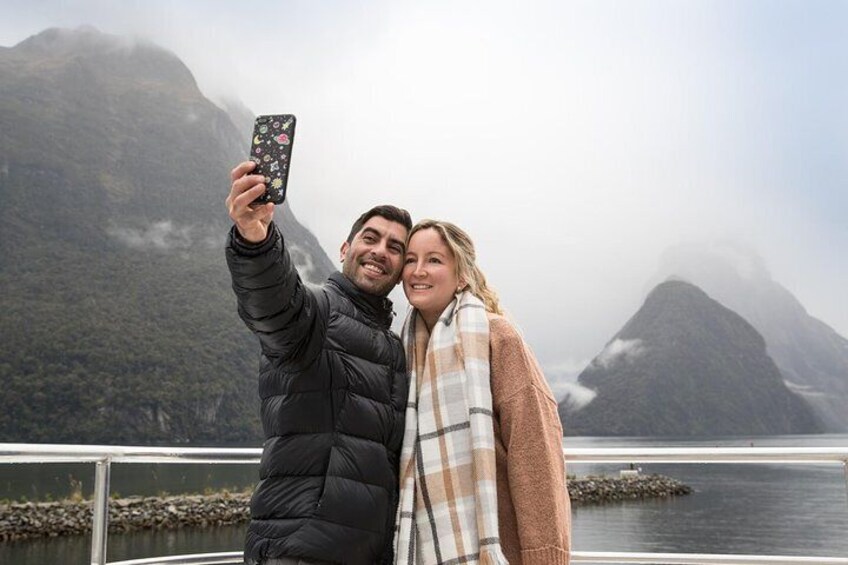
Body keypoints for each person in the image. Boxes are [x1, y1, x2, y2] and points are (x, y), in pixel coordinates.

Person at [225, 160, 411, 565]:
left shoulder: (396, 347)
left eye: (395, 247)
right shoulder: (316, 312)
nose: (380, 251)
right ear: (346, 249)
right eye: (371, 238)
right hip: (298, 548)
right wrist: (255, 239)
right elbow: (274, 303)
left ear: (400, 271)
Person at [395, 220, 571, 565]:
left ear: (461, 275)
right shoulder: (405, 350)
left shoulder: (496, 337)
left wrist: (545, 554)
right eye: (410, 259)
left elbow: (536, 449)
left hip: (501, 550)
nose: (418, 271)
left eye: (434, 260)